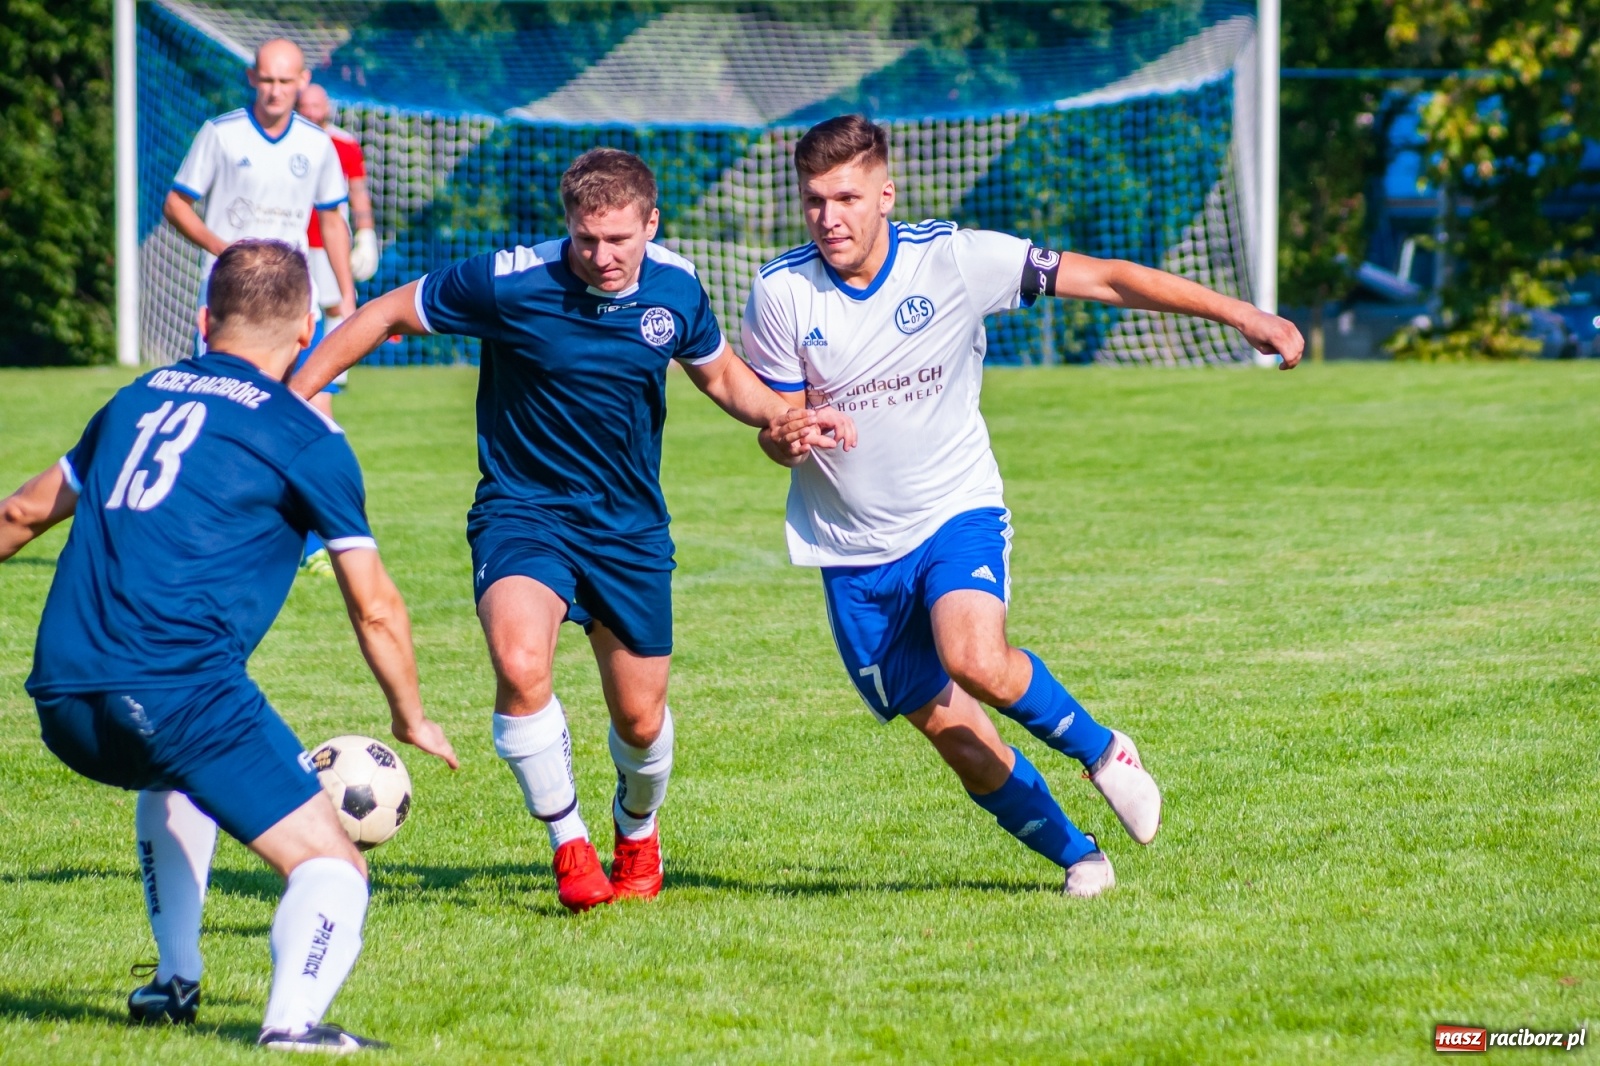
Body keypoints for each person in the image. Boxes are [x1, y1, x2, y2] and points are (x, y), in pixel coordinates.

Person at [742, 115, 1305, 897]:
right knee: (959, 742)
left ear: (885, 193)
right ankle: (1081, 857)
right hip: (852, 553)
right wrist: (789, 437)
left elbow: (1106, 277)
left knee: (975, 656)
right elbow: (778, 424)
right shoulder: (779, 292)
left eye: (845, 197)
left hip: (953, 509)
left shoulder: (954, 259)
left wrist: (1244, 315)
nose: (829, 218)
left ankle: (1107, 753)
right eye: (813, 201)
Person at [291, 148, 854, 912]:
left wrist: (785, 417)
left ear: (650, 225)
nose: (603, 256)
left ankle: (636, 827)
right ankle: (570, 845)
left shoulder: (677, 287)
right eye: (587, 240)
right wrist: (289, 399)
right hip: (523, 512)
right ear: (569, 226)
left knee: (640, 718)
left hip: (628, 529)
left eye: (620, 240)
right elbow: (385, 312)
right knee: (521, 666)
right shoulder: (511, 281)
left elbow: (720, 374)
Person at [0, 241, 457, 1051]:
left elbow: (18, 517)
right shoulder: (304, 435)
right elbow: (375, 606)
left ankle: (174, 981)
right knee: (331, 870)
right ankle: (292, 1026)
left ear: (205, 319)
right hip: (176, 693)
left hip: (65, 699)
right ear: (309, 328)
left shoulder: (135, 400)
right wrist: (411, 715)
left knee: (173, 777)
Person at [163, 37, 356, 569]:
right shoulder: (221, 134)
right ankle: (210, 531)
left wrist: (346, 294)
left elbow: (334, 221)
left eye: (285, 81)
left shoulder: (317, 145)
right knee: (223, 412)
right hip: (232, 301)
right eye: (266, 80)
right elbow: (176, 203)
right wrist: (222, 248)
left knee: (312, 412)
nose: (274, 91)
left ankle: (316, 545)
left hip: (297, 300)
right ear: (252, 78)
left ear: (301, 83)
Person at [295, 83, 381, 410]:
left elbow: (358, 191)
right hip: (294, 242)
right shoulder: (289, 141)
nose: (313, 112)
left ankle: (334, 372)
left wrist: (366, 233)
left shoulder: (344, 143)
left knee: (335, 304)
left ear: (327, 107)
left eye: (318, 105)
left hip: (330, 240)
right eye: (307, 106)